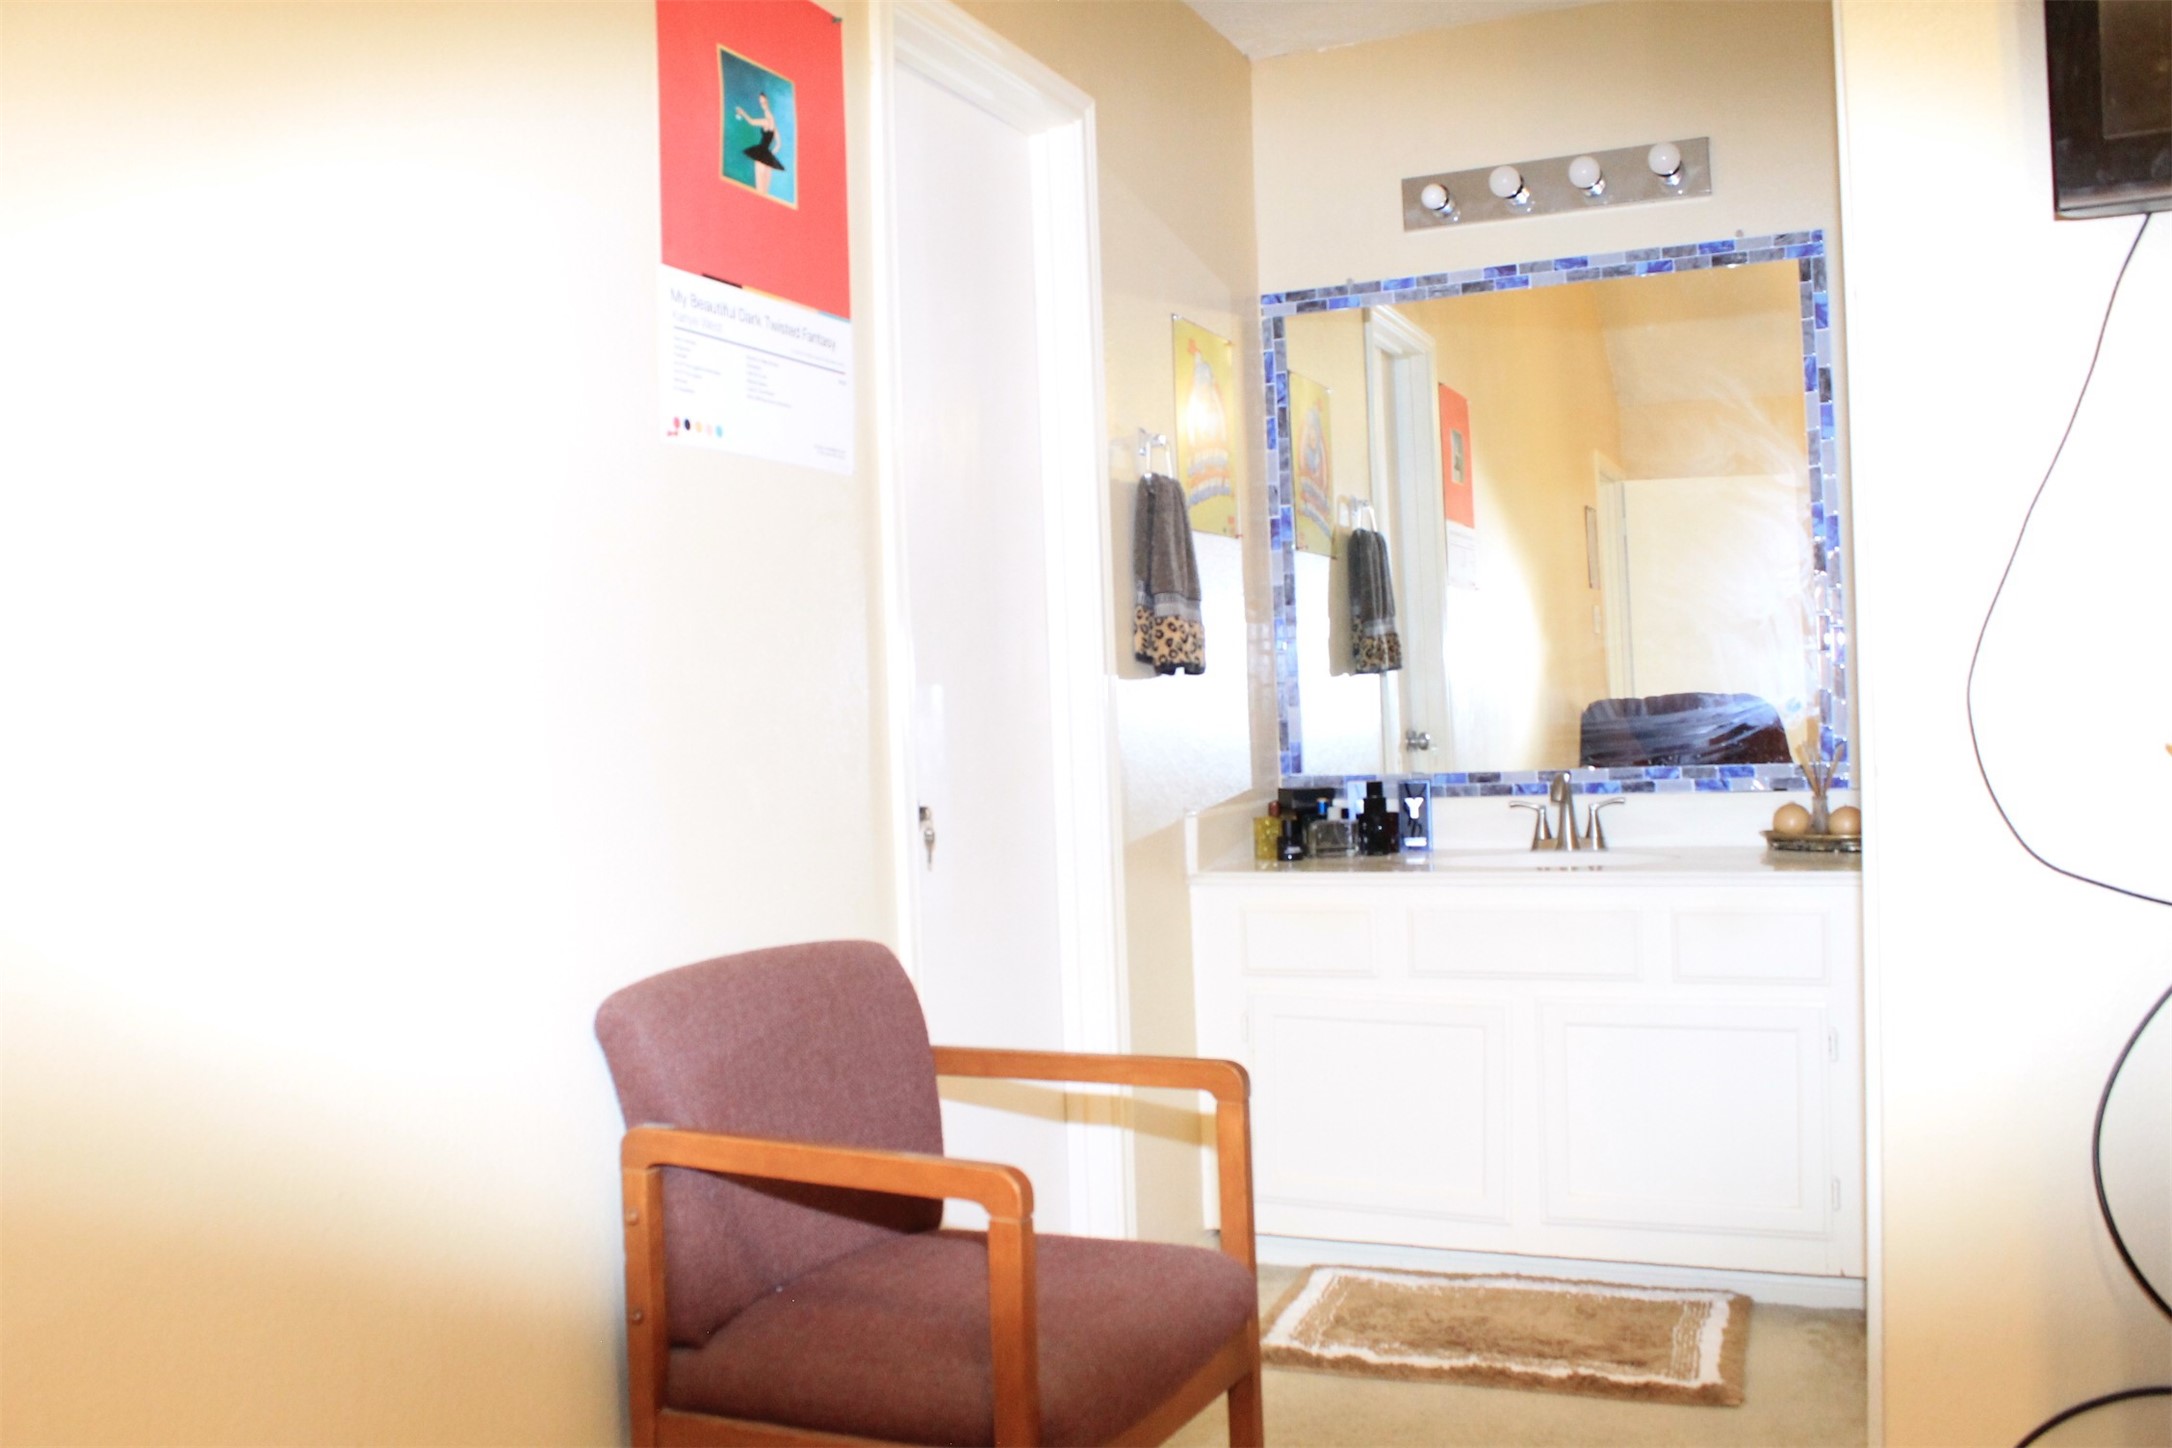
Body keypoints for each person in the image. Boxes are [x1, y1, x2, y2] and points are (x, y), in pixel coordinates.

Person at [733, 92, 784, 198]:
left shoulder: (766, 121)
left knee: (759, 193)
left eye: (763, 103)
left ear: (767, 102)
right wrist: (770, 154)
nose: (762, 105)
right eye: (761, 103)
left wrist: (742, 112)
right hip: (768, 159)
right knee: (765, 194)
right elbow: (779, 144)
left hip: (761, 155)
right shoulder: (774, 124)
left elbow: (751, 122)